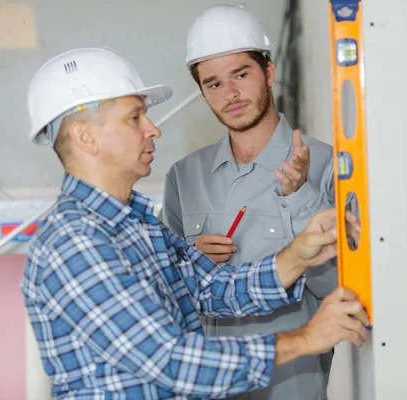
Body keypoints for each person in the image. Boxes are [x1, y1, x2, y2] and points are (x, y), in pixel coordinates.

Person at [21, 46, 368, 400]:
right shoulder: (75, 241)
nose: (153, 129)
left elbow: (209, 287)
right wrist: (307, 338)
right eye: (135, 118)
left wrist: (297, 255)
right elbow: (171, 361)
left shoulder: (137, 226)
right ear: (85, 136)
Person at [161, 5, 339, 399]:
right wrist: (189, 260)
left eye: (241, 74)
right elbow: (163, 302)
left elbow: (339, 290)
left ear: (269, 72)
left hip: (294, 388)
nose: (231, 95)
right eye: (214, 84)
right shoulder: (183, 177)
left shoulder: (328, 165)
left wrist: (301, 198)